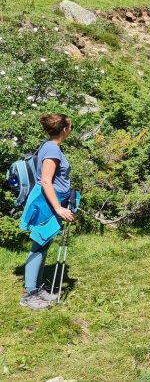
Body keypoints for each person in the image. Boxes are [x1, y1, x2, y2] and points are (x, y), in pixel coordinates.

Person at [19, 114, 75, 310]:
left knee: (43, 244)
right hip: (48, 203)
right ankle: (28, 294)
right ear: (65, 129)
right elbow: (45, 181)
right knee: (38, 245)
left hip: (52, 201)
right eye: (71, 126)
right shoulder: (52, 149)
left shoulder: (51, 146)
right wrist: (58, 208)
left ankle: (36, 288)